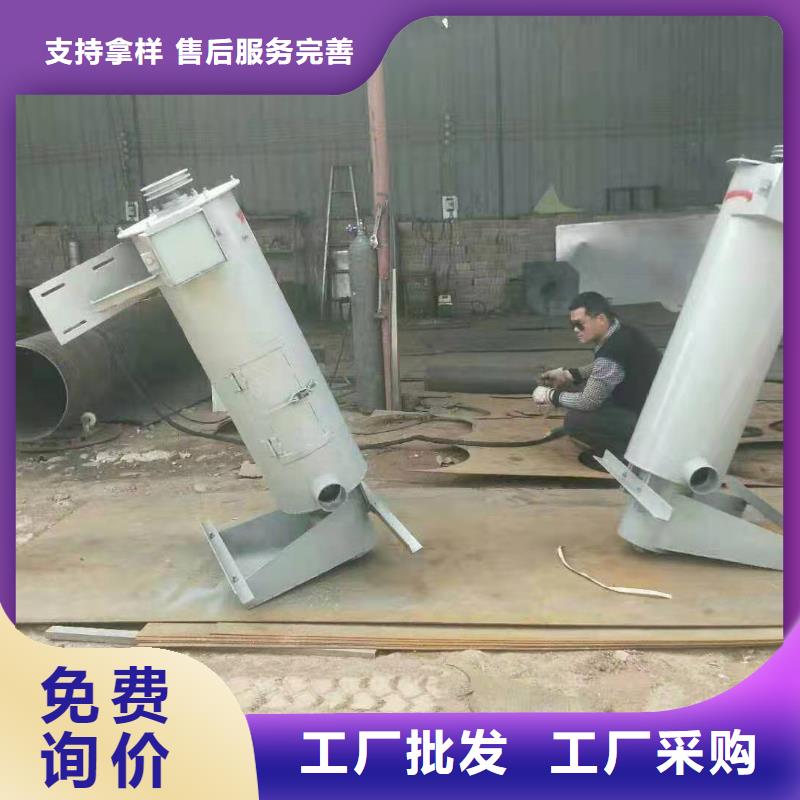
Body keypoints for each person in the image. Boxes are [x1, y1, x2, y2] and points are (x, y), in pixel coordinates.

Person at [532, 292, 661, 469]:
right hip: (652, 411)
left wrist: (550, 396)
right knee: (583, 393)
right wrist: (570, 375)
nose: (575, 330)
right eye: (573, 325)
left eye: (580, 324)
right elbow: (605, 368)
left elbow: (589, 401)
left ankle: (625, 456)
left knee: (576, 421)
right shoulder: (623, 332)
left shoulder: (613, 349)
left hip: (646, 423)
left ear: (600, 319)